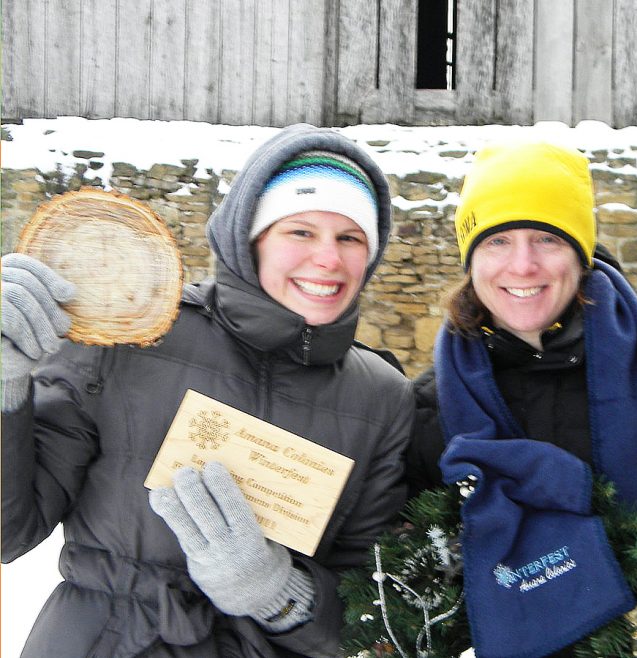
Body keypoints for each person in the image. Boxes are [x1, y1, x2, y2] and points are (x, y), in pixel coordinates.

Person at [1, 124, 414, 657]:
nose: (329, 259)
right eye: (300, 232)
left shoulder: (381, 398)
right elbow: (10, 532)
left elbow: (370, 617)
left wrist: (279, 593)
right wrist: (6, 384)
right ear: (250, 238)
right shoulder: (135, 332)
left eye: (350, 238)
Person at [406, 140, 637, 657]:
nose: (522, 265)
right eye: (497, 241)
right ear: (470, 257)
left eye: (546, 238)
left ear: (580, 251)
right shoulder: (431, 409)